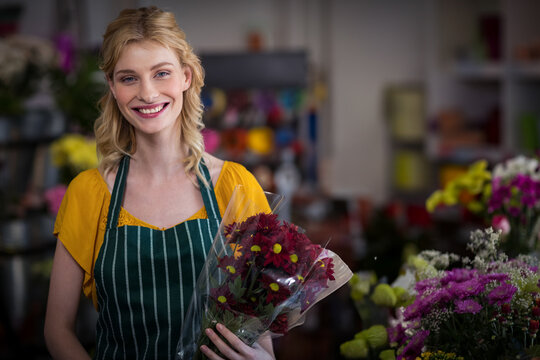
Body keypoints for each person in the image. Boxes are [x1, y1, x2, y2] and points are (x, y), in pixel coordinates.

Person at [44, 6, 275, 360]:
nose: (148, 94)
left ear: (185, 76)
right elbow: (57, 330)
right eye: (128, 78)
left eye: (161, 73)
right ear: (112, 86)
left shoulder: (235, 186)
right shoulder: (88, 193)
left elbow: (260, 334)